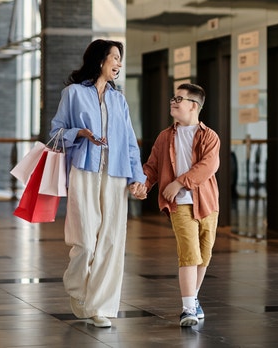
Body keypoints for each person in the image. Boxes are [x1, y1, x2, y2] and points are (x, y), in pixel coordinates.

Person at [50, 39, 147, 328]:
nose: (118, 63)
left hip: (115, 175)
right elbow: (55, 132)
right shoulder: (74, 93)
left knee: (111, 242)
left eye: (120, 58)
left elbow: (130, 142)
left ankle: (100, 306)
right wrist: (81, 132)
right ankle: (78, 288)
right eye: (114, 57)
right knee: (85, 240)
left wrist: (137, 178)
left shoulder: (119, 100)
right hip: (84, 170)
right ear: (99, 59)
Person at [142, 83, 220, 327]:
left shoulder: (209, 136)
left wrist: (179, 182)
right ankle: (188, 309)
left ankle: (193, 299)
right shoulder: (165, 137)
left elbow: (208, 166)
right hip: (179, 205)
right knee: (189, 254)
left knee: (203, 257)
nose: (172, 102)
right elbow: (152, 166)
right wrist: (143, 185)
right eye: (172, 98)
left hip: (208, 203)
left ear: (193, 106)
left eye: (179, 99)